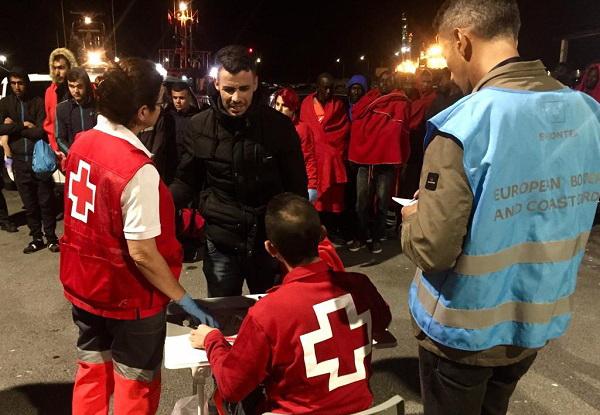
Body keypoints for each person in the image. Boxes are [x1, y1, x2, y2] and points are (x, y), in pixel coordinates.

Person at [401, 1, 600, 414]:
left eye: (446, 53)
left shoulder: (465, 123)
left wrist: (413, 218)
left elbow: (432, 249)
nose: (449, 70)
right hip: (535, 323)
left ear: (462, 40)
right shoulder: (589, 114)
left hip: (463, 337)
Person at [60, 58, 218, 415]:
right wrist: (183, 299)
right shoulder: (137, 169)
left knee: (92, 371)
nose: (162, 107)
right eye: (160, 102)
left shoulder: (82, 142)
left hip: (85, 287)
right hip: (128, 298)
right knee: (135, 384)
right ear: (143, 112)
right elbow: (142, 253)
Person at [190, 193, 391, 414]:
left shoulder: (268, 312)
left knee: (221, 400)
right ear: (323, 234)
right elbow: (382, 322)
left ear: (271, 249)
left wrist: (212, 340)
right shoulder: (361, 285)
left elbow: (230, 387)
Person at [170, 45, 307, 297]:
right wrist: (154, 203)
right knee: (223, 316)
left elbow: (296, 188)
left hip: (269, 242)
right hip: (220, 241)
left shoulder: (280, 127)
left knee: (272, 319)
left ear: (255, 83)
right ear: (216, 84)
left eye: (243, 88)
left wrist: (301, 237)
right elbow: (186, 181)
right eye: (229, 89)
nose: (236, 97)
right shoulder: (198, 126)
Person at [348, 70, 411, 254]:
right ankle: (360, 237)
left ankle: (376, 239)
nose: (385, 83)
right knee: (361, 203)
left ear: (395, 81)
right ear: (377, 83)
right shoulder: (368, 99)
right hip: (364, 161)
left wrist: (404, 158)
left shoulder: (400, 102)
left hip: (386, 161)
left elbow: (403, 131)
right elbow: (358, 124)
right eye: (382, 80)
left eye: (389, 80)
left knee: (382, 204)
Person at [0, 68, 58, 252]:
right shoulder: (5, 103)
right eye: (14, 83)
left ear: (26, 83)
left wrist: (13, 127)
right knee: (30, 205)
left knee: (46, 202)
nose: (17, 87)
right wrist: (23, 125)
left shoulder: (37, 102)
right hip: (19, 161)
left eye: (20, 83)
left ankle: (51, 238)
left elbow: (40, 131)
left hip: (39, 160)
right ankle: (36, 238)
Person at [300, 73, 351, 243]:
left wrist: (332, 151)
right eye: (325, 87)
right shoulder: (306, 104)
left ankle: (331, 231)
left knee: (332, 200)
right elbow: (303, 128)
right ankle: (315, 232)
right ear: (317, 87)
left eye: (331, 88)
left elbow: (342, 130)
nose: (328, 91)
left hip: (332, 160)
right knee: (315, 200)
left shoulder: (338, 105)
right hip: (313, 159)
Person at [273, 87, 318, 203]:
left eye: (284, 105)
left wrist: (312, 186)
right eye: (277, 104)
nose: (279, 109)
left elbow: (308, 158)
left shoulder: (302, 129)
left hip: (294, 183)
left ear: (293, 108)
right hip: (275, 183)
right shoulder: (270, 126)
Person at [56, 67, 97, 155]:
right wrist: (72, 154)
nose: (76, 91)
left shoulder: (97, 106)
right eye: (71, 86)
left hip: (96, 156)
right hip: (74, 157)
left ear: (86, 85)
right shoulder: (62, 108)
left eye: (79, 86)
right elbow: (60, 139)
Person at [43, 48, 78, 154]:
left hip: (81, 147)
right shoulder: (50, 92)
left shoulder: (80, 88)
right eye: (54, 68)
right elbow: (49, 123)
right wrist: (55, 147)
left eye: (61, 68)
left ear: (70, 67)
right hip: (60, 151)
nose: (57, 72)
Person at [168, 81, 202, 164]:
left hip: (191, 163)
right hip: (171, 162)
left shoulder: (197, 117)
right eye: (175, 98)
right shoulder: (168, 116)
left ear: (189, 97)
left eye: (181, 98)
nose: (178, 101)